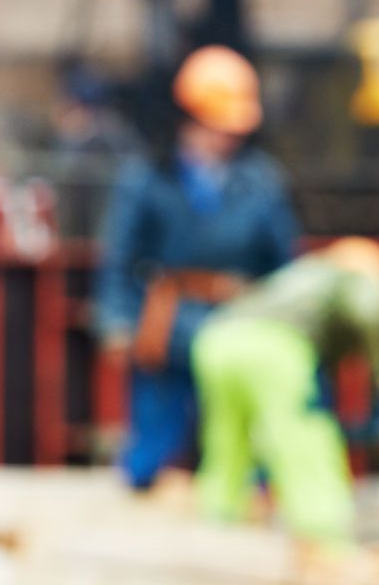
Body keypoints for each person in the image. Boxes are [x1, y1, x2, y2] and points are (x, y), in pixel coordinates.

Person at [95, 45, 300, 490]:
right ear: (188, 117)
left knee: (245, 438)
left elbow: (282, 264)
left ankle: (244, 489)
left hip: (239, 321)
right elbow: (119, 256)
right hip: (168, 323)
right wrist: (115, 320)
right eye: (214, 125)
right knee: (155, 441)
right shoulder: (147, 178)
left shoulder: (261, 181)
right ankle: (146, 479)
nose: (224, 138)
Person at [190, 237, 379, 560]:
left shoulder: (302, 273)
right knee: (301, 435)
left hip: (217, 338)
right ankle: (323, 532)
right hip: (273, 347)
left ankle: (219, 518)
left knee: (228, 437)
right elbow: (367, 313)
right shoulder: (361, 278)